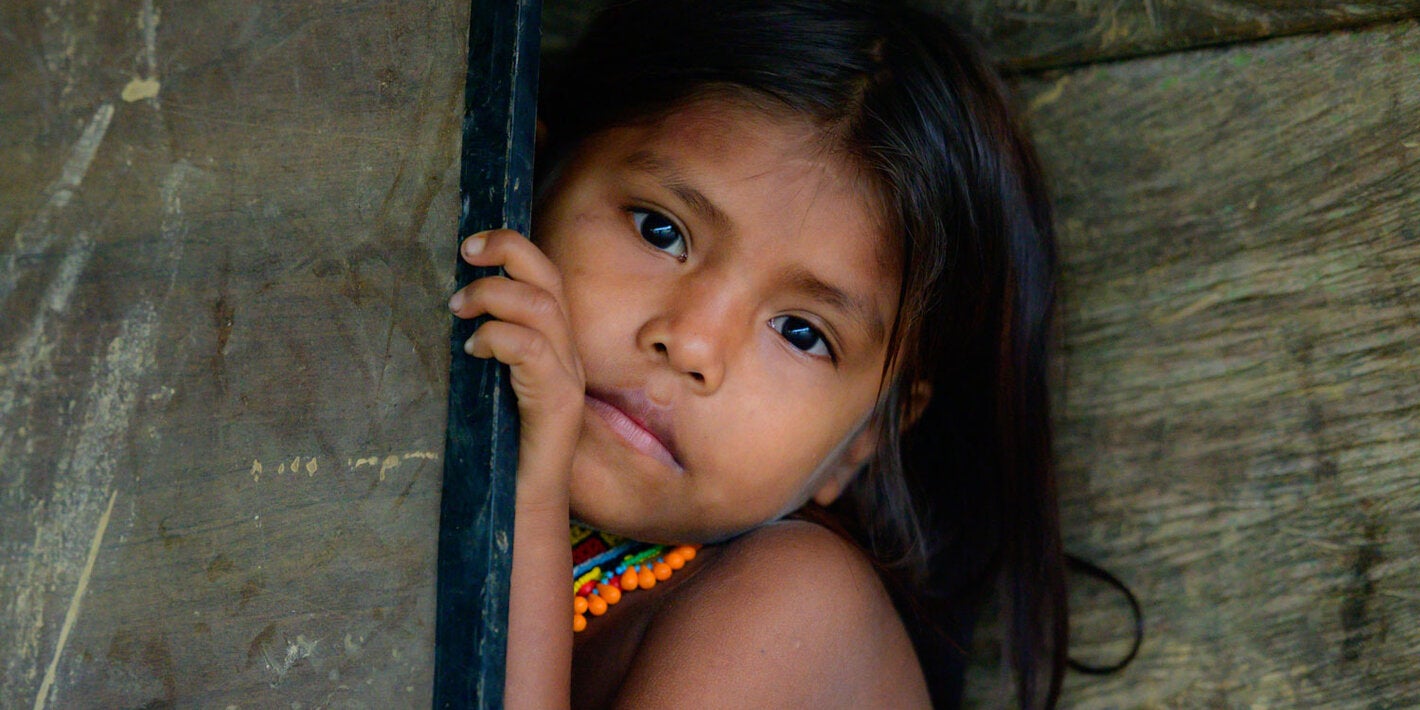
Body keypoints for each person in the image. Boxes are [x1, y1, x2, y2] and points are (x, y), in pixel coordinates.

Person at [447, 0, 1067, 706]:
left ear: (863, 439)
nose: (691, 343)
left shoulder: (791, 608)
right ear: (521, 181)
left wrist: (525, 497)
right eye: (660, 230)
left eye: (801, 333)